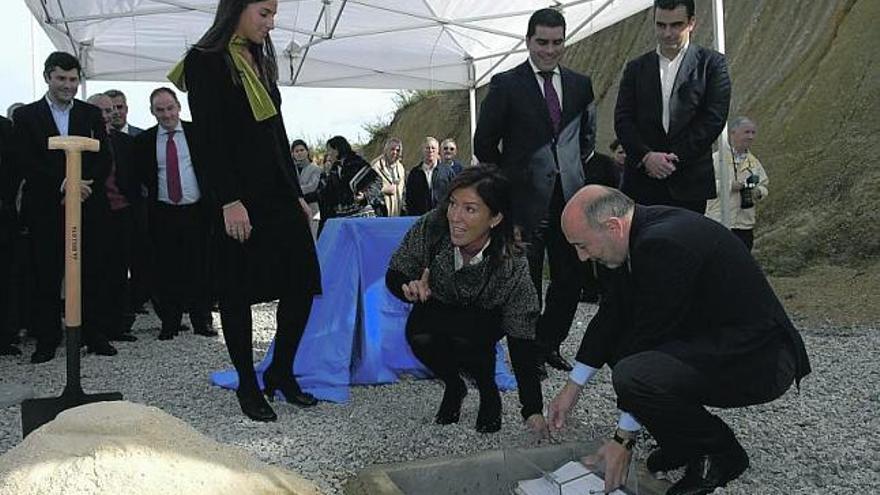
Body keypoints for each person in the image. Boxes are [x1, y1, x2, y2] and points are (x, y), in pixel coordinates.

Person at [548, 185, 811, 495]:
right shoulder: (636, 235)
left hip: (761, 361)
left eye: (582, 245)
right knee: (627, 359)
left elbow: (649, 339)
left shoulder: (664, 244)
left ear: (612, 226)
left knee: (635, 373)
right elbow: (612, 315)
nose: (581, 257)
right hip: (719, 345)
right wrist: (572, 387)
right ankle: (683, 443)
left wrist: (623, 439)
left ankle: (720, 453)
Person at [170, 0, 321, 421]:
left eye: (274, 14)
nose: (271, 23)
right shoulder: (204, 61)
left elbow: (277, 130)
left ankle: (281, 371)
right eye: (264, 13)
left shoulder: (260, 56)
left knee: (302, 281)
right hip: (236, 196)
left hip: (276, 193)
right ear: (236, 8)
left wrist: (296, 193)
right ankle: (248, 385)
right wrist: (228, 200)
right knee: (237, 292)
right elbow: (208, 140)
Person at [473, 8, 596, 376]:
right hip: (523, 204)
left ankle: (548, 344)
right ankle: (526, 353)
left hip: (570, 201)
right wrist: (511, 180)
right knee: (526, 283)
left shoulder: (581, 84)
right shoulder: (506, 84)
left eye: (557, 42)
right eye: (542, 42)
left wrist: (569, 172)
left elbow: (587, 139)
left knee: (571, 279)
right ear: (528, 41)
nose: (549, 50)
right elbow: (484, 143)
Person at [386, 165, 546, 435]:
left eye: (470, 209)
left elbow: (522, 339)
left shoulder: (514, 265)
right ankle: (454, 384)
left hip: (485, 317)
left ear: (495, 218)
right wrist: (407, 285)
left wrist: (532, 409)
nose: (455, 217)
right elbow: (397, 270)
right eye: (453, 204)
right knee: (419, 335)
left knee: (470, 339)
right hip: (441, 304)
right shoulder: (433, 225)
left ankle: (488, 390)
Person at [13, 51, 117, 363]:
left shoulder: (90, 114)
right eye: (61, 78)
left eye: (73, 79)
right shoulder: (27, 117)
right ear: (48, 77)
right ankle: (48, 339)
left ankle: (94, 334)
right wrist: (64, 183)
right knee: (47, 273)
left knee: (92, 271)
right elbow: (26, 160)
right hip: (46, 207)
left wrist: (82, 185)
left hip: (88, 205)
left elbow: (104, 157)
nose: (67, 85)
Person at [615, 0, 731, 214]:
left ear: (692, 23)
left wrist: (673, 158)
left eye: (676, 25)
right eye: (661, 25)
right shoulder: (635, 68)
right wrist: (647, 157)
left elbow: (714, 119)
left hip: (689, 183)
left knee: (686, 246)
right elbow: (623, 119)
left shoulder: (712, 64)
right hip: (641, 183)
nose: (667, 33)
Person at [134, 87, 215, 341]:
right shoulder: (144, 141)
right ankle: (170, 322)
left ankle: (202, 320)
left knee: (201, 266)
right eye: (160, 110)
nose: (167, 114)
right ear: (152, 112)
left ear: (178, 107)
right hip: (163, 212)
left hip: (197, 211)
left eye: (170, 108)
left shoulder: (198, 133)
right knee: (166, 269)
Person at [86, 93, 139, 343]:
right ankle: (94, 331)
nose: (108, 115)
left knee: (119, 272)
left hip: (123, 213)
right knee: (96, 273)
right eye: (102, 111)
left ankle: (117, 326)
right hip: (94, 215)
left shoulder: (126, 142)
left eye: (111, 110)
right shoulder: (83, 142)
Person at [706, 117, 768, 251]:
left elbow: (764, 185)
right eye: (747, 132)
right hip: (719, 221)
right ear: (733, 133)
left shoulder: (754, 162)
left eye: (753, 133)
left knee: (741, 266)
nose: (751, 137)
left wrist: (758, 192)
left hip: (744, 225)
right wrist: (728, 185)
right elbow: (703, 184)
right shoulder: (717, 159)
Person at [320, 135, 383, 225]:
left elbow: (377, 181)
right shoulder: (335, 169)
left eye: (330, 150)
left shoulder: (357, 164)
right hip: (342, 217)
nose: (328, 153)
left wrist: (365, 195)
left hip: (361, 214)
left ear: (337, 150)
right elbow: (329, 192)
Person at [0, 114, 20, 355]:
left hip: (3, 216)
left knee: (5, 278)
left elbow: (15, 168)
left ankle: (5, 337)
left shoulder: (5, 128)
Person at [404, 136, 456, 217]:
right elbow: (409, 199)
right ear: (422, 150)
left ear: (438, 151)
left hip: (442, 218)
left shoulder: (447, 171)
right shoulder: (415, 173)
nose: (430, 151)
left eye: (433, 148)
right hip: (420, 219)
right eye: (427, 148)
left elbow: (453, 195)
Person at [290, 139, 322, 238]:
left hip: (313, 206)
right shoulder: (290, 169)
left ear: (307, 151)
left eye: (302, 150)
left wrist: (295, 190)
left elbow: (312, 186)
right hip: (297, 207)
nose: (299, 153)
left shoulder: (315, 168)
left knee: (313, 235)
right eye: (296, 151)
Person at [370, 137, 406, 217]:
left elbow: (403, 192)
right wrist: (384, 190)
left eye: (397, 150)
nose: (395, 152)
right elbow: (369, 191)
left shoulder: (401, 168)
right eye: (392, 149)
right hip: (381, 213)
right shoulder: (376, 167)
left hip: (398, 213)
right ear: (386, 150)